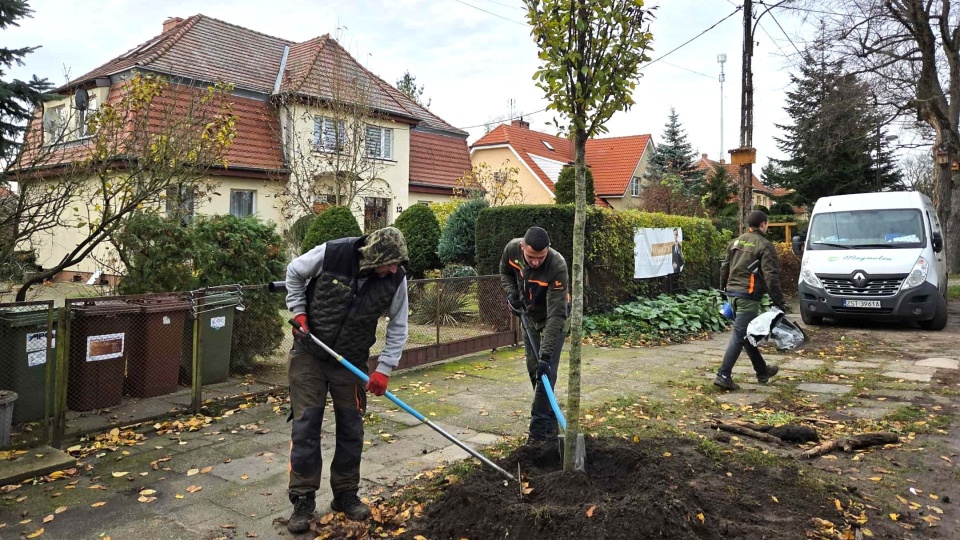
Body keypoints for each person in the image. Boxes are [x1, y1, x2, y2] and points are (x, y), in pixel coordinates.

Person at [283, 226, 409, 533]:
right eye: (390, 263)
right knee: (306, 425)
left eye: (398, 264)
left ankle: (345, 494)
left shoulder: (396, 280)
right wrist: (299, 312)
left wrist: (384, 369)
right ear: (374, 257)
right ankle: (303, 499)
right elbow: (295, 271)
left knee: (352, 427)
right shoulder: (333, 253)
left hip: (350, 361)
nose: (394, 269)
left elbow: (399, 325)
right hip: (310, 353)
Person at [500, 226, 569, 442]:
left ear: (548, 250)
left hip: (553, 322)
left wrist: (545, 356)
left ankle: (537, 434)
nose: (536, 262)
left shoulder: (557, 265)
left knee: (545, 373)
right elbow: (505, 272)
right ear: (523, 247)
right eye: (531, 257)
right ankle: (551, 430)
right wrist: (512, 294)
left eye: (541, 257)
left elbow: (556, 316)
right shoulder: (512, 250)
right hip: (530, 319)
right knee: (534, 371)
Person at [715, 211, 785, 391]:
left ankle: (762, 371)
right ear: (762, 224)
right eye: (767, 224)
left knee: (746, 335)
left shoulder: (735, 242)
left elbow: (724, 268)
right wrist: (778, 301)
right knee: (739, 336)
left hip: (732, 294)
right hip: (748, 296)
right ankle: (723, 375)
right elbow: (771, 276)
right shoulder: (764, 245)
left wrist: (724, 289)